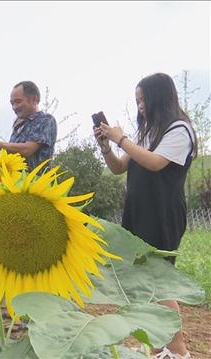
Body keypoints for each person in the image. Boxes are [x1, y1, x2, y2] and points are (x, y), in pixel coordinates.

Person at [94, 73, 197, 359]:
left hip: (162, 213)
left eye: (143, 99)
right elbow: (118, 167)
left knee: (160, 279)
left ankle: (176, 350)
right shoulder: (148, 132)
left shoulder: (179, 130)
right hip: (138, 212)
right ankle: (158, 347)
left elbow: (154, 163)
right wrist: (106, 146)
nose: (140, 105)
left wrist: (121, 138)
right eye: (136, 100)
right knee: (142, 280)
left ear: (159, 97)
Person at [0, 81, 57, 169]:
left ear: (34, 99)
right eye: (12, 103)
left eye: (18, 102)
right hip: (14, 182)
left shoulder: (46, 120)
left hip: (36, 182)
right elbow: (3, 170)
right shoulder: (18, 128)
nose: (14, 107)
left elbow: (27, 150)